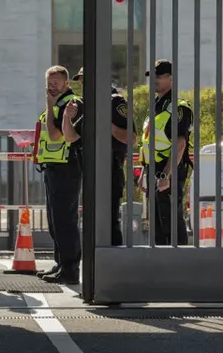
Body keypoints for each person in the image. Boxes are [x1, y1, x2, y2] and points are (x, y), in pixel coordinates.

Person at [34, 66, 83, 283]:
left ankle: (70, 269)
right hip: (53, 166)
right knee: (55, 220)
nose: (52, 87)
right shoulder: (57, 104)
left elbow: (55, 136)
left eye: (56, 83)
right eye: (49, 83)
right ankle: (61, 263)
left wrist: (49, 104)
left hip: (67, 167)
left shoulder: (70, 104)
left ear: (66, 84)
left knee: (65, 220)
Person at [139, 60, 195, 244]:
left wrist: (166, 174)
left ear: (171, 78)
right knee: (157, 224)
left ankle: (179, 259)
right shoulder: (156, 105)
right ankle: (161, 259)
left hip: (169, 170)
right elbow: (149, 142)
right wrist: (144, 172)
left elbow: (180, 143)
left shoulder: (178, 107)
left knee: (170, 222)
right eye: (152, 76)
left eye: (159, 76)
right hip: (154, 170)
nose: (154, 80)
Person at [77, 67, 131, 245]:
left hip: (110, 167)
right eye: (82, 81)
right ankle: (95, 257)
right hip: (90, 168)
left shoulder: (115, 101)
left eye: (86, 79)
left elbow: (130, 137)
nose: (83, 84)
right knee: (92, 221)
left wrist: (104, 122)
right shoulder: (86, 103)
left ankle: (115, 258)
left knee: (110, 221)